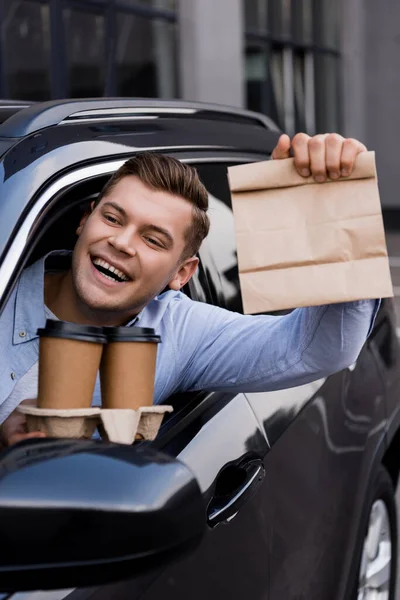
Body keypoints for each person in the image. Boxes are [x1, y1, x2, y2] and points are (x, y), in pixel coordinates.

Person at [0, 132, 377, 447]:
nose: (122, 243)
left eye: (153, 240)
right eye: (113, 218)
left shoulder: (179, 331)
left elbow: (319, 349)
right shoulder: (7, 278)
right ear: (86, 219)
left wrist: (337, 209)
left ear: (182, 273)